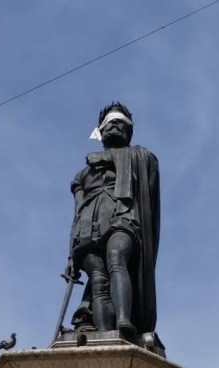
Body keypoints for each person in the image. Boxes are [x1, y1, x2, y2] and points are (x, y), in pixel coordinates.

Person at [68, 102, 160, 341]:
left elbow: (148, 176)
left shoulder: (139, 156)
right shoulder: (82, 175)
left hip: (122, 216)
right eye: (109, 124)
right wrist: (70, 254)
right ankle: (106, 331)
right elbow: (77, 211)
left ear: (129, 131)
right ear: (100, 132)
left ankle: (123, 320)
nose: (114, 128)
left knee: (117, 258)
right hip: (87, 226)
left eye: (120, 124)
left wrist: (111, 159)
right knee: (97, 278)